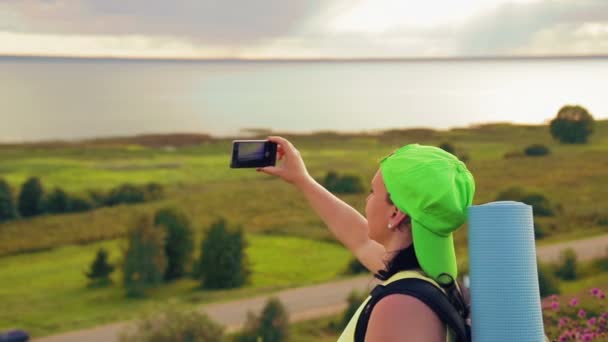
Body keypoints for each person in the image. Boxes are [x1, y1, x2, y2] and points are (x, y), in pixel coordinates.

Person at [256, 136, 475, 342]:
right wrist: (302, 180)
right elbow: (360, 240)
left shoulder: (402, 306)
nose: (367, 199)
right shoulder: (431, 279)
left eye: (373, 191)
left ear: (395, 213)